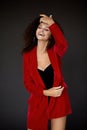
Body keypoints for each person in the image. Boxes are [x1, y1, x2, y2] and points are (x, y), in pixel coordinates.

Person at [22, 13, 72, 130]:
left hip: (59, 100)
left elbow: (63, 45)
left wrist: (52, 24)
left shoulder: (55, 51)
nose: (42, 31)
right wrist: (46, 93)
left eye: (47, 29)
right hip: (38, 101)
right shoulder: (27, 54)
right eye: (40, 27)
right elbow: (27, 83)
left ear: (51, 35)